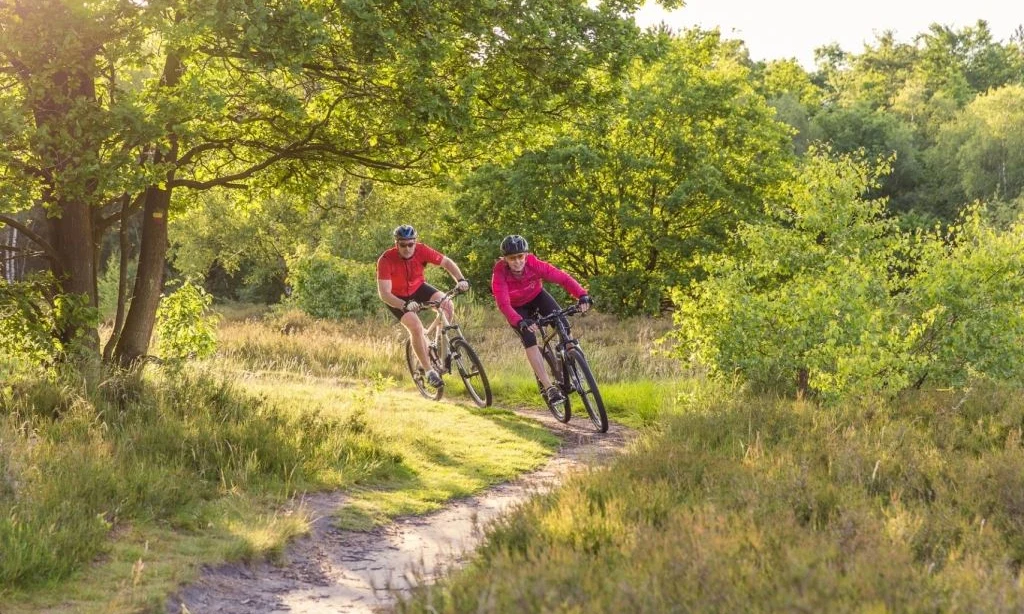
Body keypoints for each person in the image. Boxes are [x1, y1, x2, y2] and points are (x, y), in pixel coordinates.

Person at [491, 234, 592, 406]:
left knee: (564, 325)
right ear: (505, 259)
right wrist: (519, 321)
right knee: (529, 340)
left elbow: (562, 278)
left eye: (520, 256)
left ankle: (573, 362)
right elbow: (503, 304)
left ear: (526, 255)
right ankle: (549, 387)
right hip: (516, 307)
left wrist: (582, 295)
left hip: (537, 296)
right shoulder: (499, 272)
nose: (517, 261)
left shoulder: (533, 263)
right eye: (512, 258)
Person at [377, 224, 470, 388]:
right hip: (397, 297)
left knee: (447, 304)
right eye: (403, 245)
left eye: (410, 244)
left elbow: (447, 262)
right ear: (396, 243)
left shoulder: (422, 250)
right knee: (416, 327)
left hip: (418, 288)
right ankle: (429, 371)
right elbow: (385, 294)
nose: (407, 249)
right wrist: (404, 305)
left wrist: (461, 280)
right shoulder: (386, 260)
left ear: (415, 242)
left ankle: (437, 345)